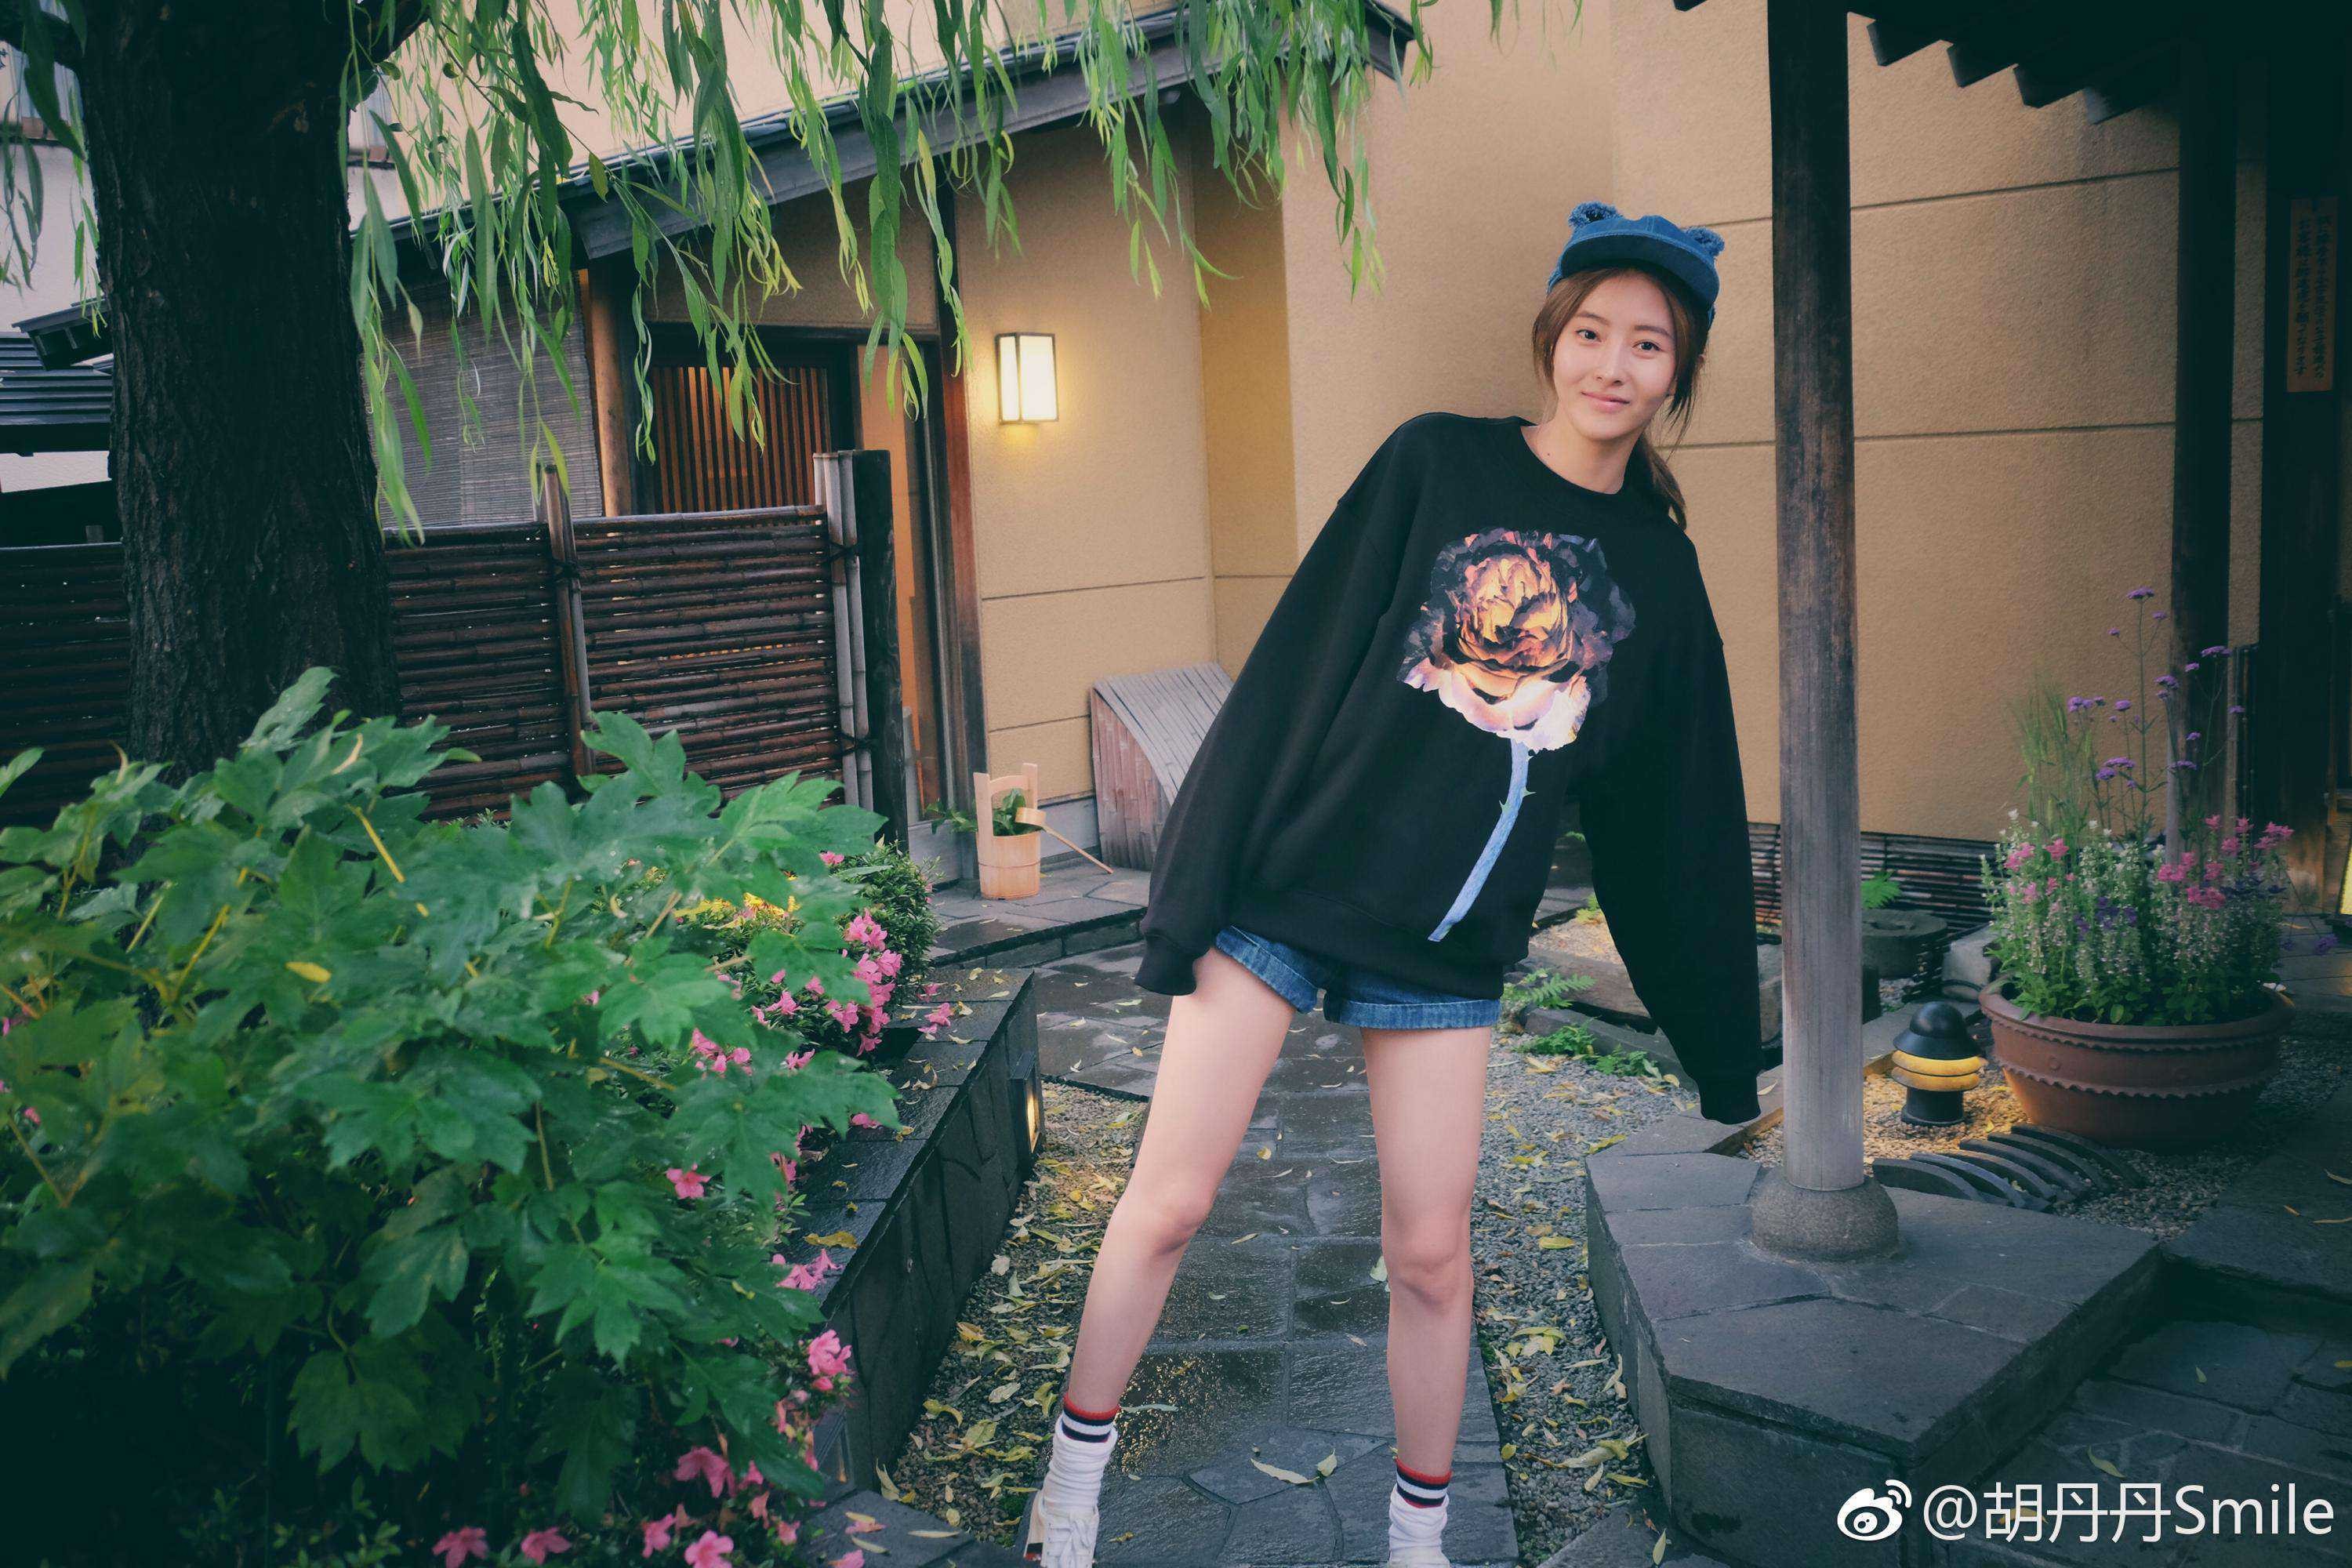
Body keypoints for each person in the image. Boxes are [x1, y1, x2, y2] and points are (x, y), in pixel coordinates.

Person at [1018, 201, 1764, 1568]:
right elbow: (1299, 660)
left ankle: (1417, 1543)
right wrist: (1194, 884)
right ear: (1552, 339)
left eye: (1648, 345)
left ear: (1681, 372)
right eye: (1591, 332)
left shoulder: (1659, 571)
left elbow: (1679, 809)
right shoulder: (1436, 461)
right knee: (1169, 1200)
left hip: (1443, 948)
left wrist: (1720, 1037)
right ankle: (1067, 1495)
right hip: (1286, 894)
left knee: (1430, 1256)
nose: (1612, 365)